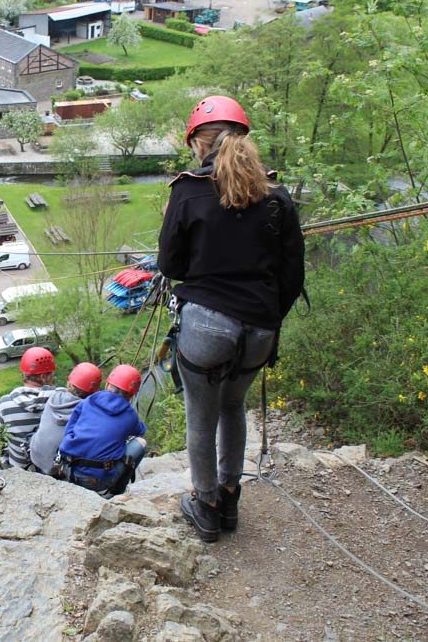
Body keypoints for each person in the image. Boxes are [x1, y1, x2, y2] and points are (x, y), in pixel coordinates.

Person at [157, 95, 306, 543]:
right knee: (232, 406)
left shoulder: (187, 191)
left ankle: (206, 507)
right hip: (259, 330)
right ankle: (230, 497)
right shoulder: (277, 196)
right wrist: (265, 319)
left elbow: (170, 265)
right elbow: (292, 274)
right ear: (245, 141)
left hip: (206, 324)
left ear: (198, 146)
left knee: (200, 417)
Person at [56, 364, 148, 497]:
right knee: (140, 443)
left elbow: (69, 430)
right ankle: (117, 492)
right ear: (132, 396)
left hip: (68, 469)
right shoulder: (130, 416)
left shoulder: (88, 401)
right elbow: (140, 431)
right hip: (97, 481)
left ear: (107, 385)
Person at [29, 362, 103, 475]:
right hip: (55, 468)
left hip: (35, 456)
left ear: (69, 382)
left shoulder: (54, 396)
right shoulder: (90, 413)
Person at [0, 347, 57, 469]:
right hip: (53, 469)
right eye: (52, 374)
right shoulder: (60, 399)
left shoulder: (5, 404)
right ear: (43, 377)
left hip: (20, 469)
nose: (54, 377)